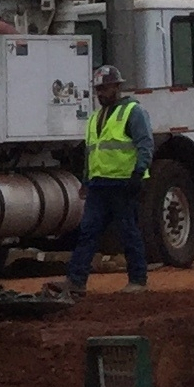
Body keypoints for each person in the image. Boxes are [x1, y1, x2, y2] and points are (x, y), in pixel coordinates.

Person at [65, 66, 152, 294]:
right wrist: (86, 180)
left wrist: (138, 172)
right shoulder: (96, 118)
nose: (100, 93)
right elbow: (91, 152)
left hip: (123, 183)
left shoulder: (133, 112)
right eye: (98, 89)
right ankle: (76, 281)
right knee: (88, 231)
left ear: (117, 87)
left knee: (128, 232)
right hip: (99, 184)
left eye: (104, 88)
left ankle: (138, 280)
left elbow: (145, 145)